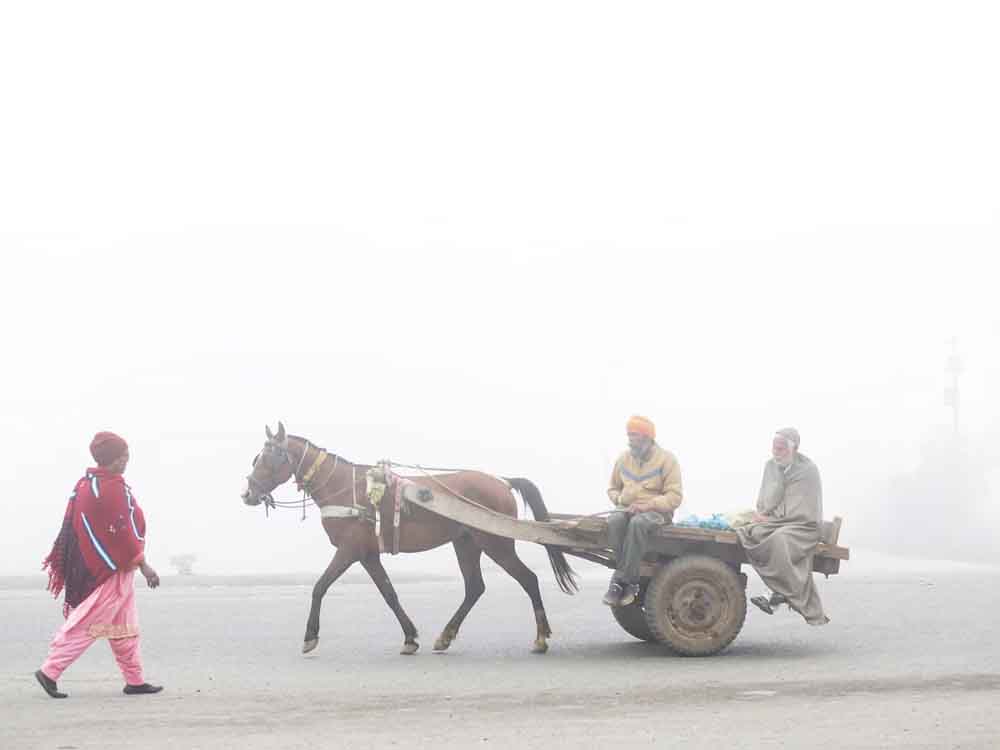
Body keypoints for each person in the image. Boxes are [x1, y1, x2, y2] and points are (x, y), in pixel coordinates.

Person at [35, 431, 163, 698]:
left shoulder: (88, 483)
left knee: (124, 627)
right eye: (123, 456)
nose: (127, 460)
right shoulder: (109, 487)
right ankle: (49, 671)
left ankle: (134, 680)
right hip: (109, 570)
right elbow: (122, 530)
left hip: (115, 568)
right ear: (112, 459)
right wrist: (144, 565)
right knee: (89, 624)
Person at [737, 428, 829, 626]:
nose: (776, 452)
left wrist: (771, 519)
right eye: (774, 448)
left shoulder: (807, 470)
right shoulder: (770, 466)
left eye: (781, 449)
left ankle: (776, 593)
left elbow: (802, 510)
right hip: (776, 522)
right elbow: (765, 501)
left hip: (803, 526)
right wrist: (763, 516)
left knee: (780, 539)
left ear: (794, 448)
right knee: (753, 531)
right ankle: (776, 593)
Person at [603, 415, 683, 607]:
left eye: (635, 435)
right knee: (614, 521)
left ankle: (624, 581)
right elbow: (612, 488)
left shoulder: (667, 460)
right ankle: (626, 579)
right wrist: (620, 500)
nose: (630, 439)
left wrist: (648, 506)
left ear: (648, 438)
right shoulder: (623, 459)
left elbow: (675, 497)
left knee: (638, 523)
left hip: (656, 513)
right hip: (626, 509)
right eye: (629, 435)